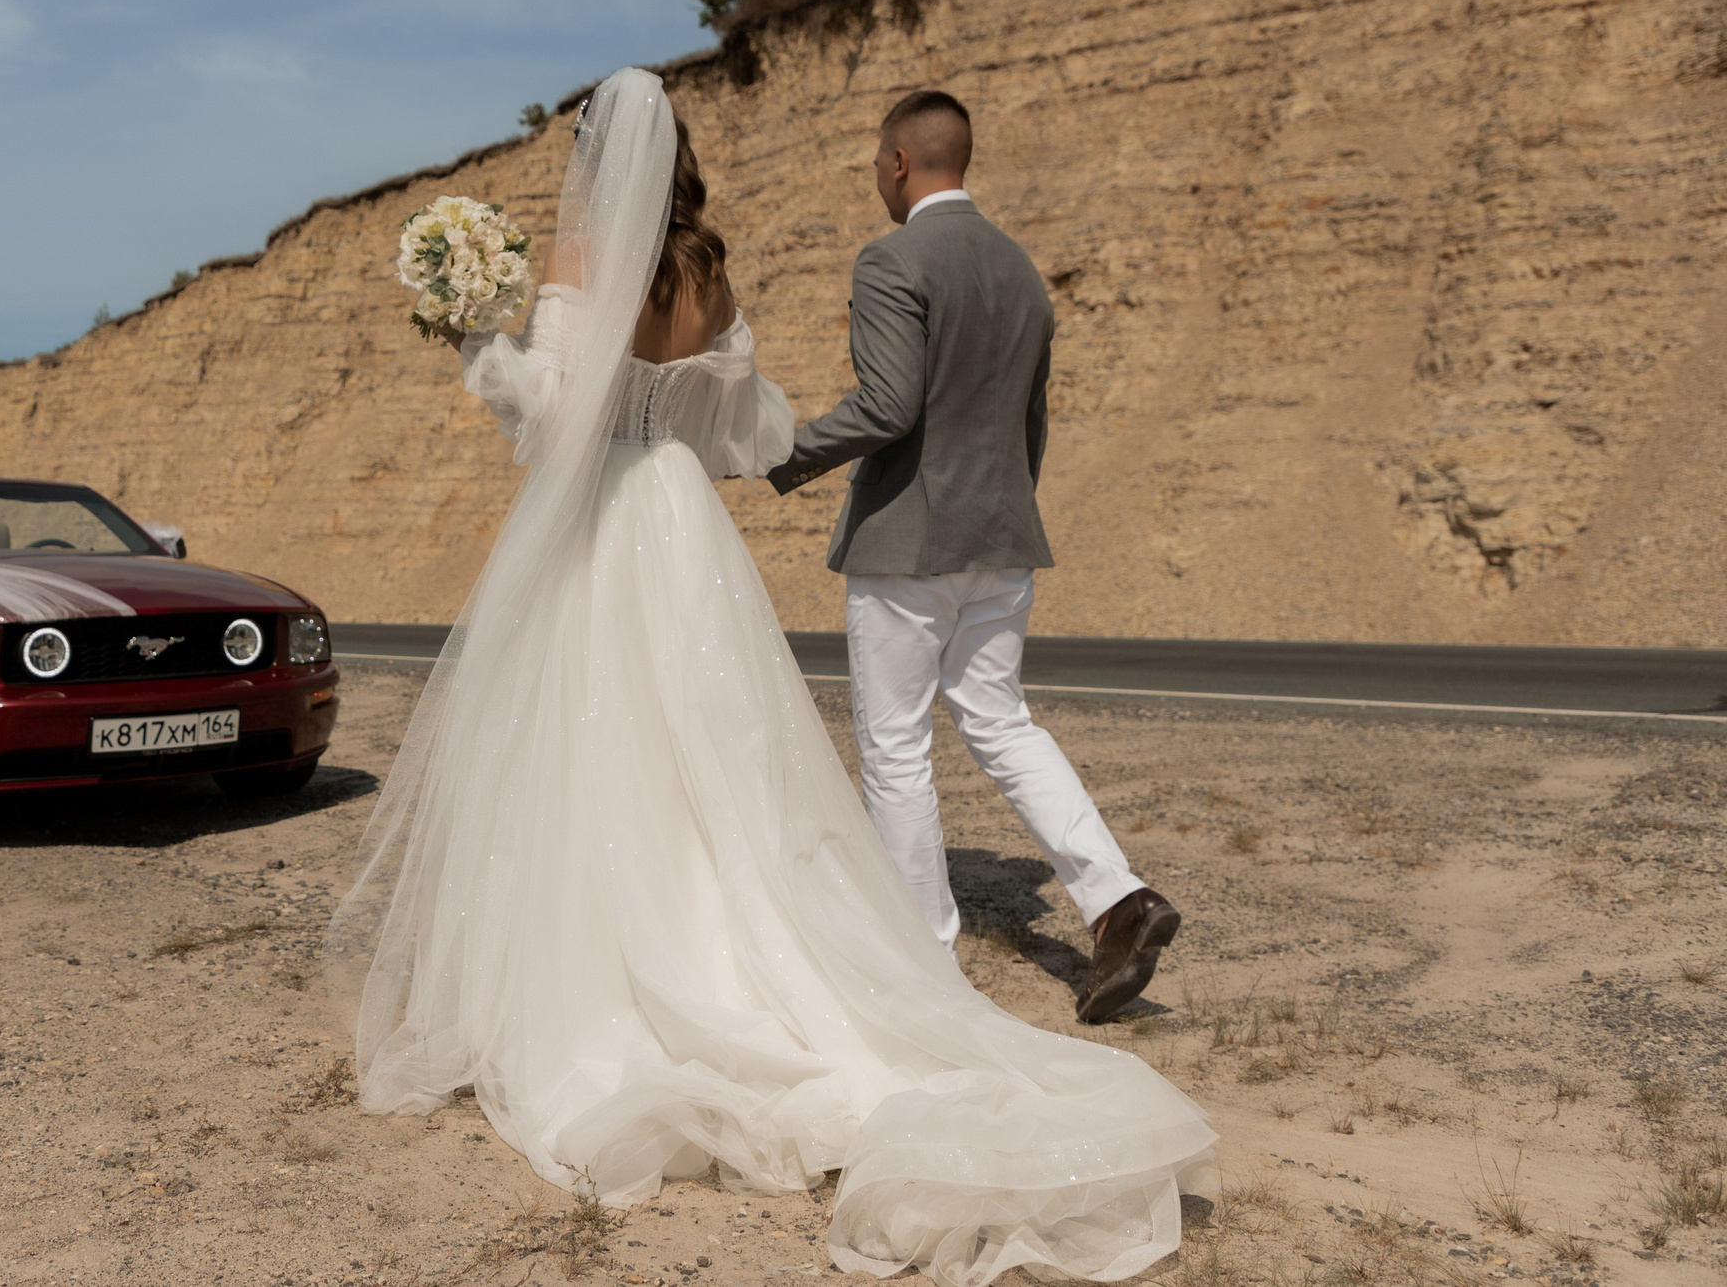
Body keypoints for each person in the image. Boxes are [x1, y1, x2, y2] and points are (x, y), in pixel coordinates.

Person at [330, 68, 1212, 1285]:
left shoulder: (582, 265)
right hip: (685, 523)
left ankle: (630, 982)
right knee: (720, 758)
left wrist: (475, 339)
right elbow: (739, 436)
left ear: (594, 159)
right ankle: (884, 951)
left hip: (601, 524)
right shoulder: (704, 270)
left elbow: (547, 418)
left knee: (599, 749)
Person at [764, 89, 1180, 1025]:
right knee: (1001, 723)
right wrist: (1006, 511)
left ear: (902, 163)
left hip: (910, 544)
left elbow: (887, 406)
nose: (878, 178)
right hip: (1002, 538)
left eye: (878, 163)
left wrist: (779, 453)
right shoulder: (1022, 272)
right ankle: (1118, 899)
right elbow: (1032, 419)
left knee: (897, 746)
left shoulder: (892, 258)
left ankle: (922, 958)